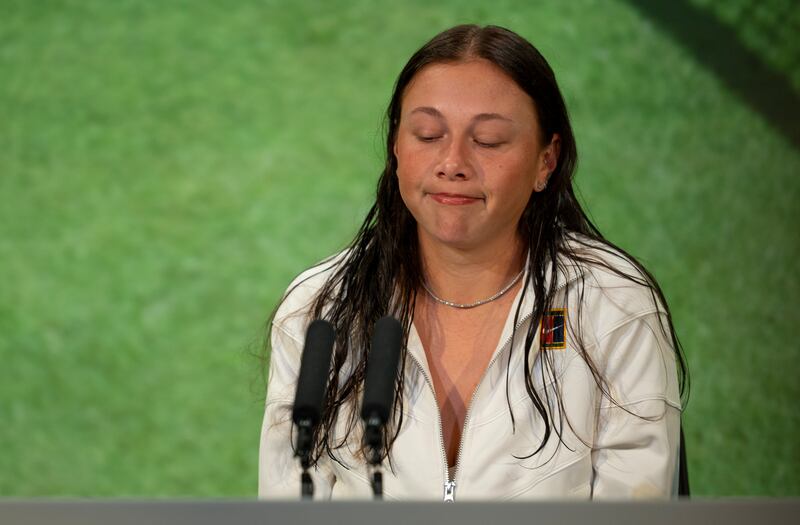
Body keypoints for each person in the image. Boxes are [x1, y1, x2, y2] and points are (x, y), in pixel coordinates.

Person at [259, 24, 687, 501]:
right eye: (427, 134)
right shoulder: (320, 308)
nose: (453, 162)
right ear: (396, 148)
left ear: (546, 160)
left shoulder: (612, 305)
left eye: (488, 140)